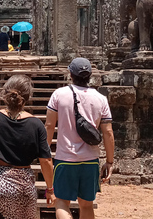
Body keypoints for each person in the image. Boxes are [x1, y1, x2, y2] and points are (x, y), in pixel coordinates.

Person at [0, 74, 56, 219]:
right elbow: (45, 161)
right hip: (24, 185)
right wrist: (50, 189)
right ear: (27, 96)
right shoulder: (36, 124)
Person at [45, 58, 115, 219]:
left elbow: (49, 126)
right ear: (89, 76)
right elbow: (108, 132)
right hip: (90, 159)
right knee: (87, 205)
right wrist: (109, 161)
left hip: (65, 158)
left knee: (62, 202)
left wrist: (45, 151)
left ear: (70, 74)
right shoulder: (100, 99)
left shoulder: (59, 94)